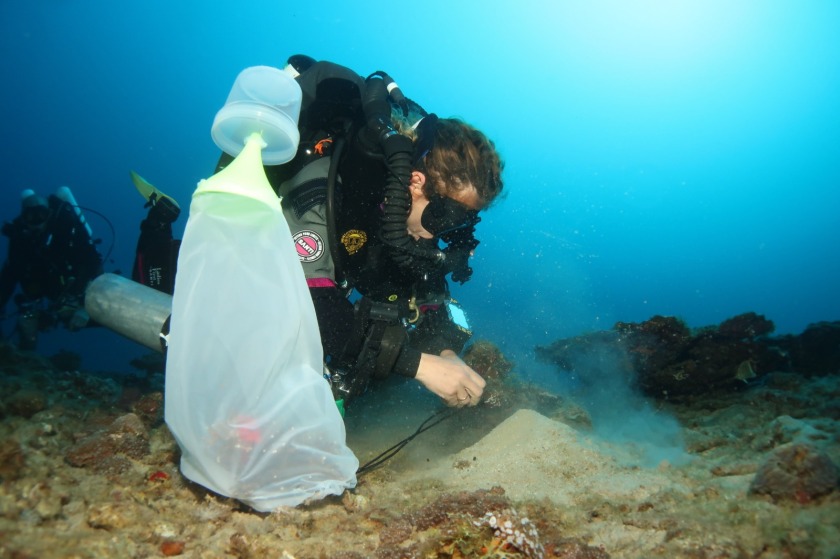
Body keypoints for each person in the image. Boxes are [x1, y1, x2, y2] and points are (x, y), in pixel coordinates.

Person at [139, 56, 505, 409]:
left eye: (464, 222)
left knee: (382, 355)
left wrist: (444, 354)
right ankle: (158, 224)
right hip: (262, 265)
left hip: (336, 273)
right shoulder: (325, 191)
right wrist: (420, 366)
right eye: (448, 217)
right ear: (415, 182)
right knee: (179, 315)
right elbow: (306, 304)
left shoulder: (411, 230)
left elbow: (428, 302)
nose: (449, 233)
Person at [0, 188, 104, 350]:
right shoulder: (20, 240)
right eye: (30, 216)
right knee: (27, 326)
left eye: (41, 215)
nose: (37, 222)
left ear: (49, 214)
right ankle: (26, 359)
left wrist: (85, 307)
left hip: (77, 292)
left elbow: (93, 264)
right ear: (23, 218)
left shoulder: (67, 229)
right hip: (45, 296)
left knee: (100, 315)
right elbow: (8, 277)